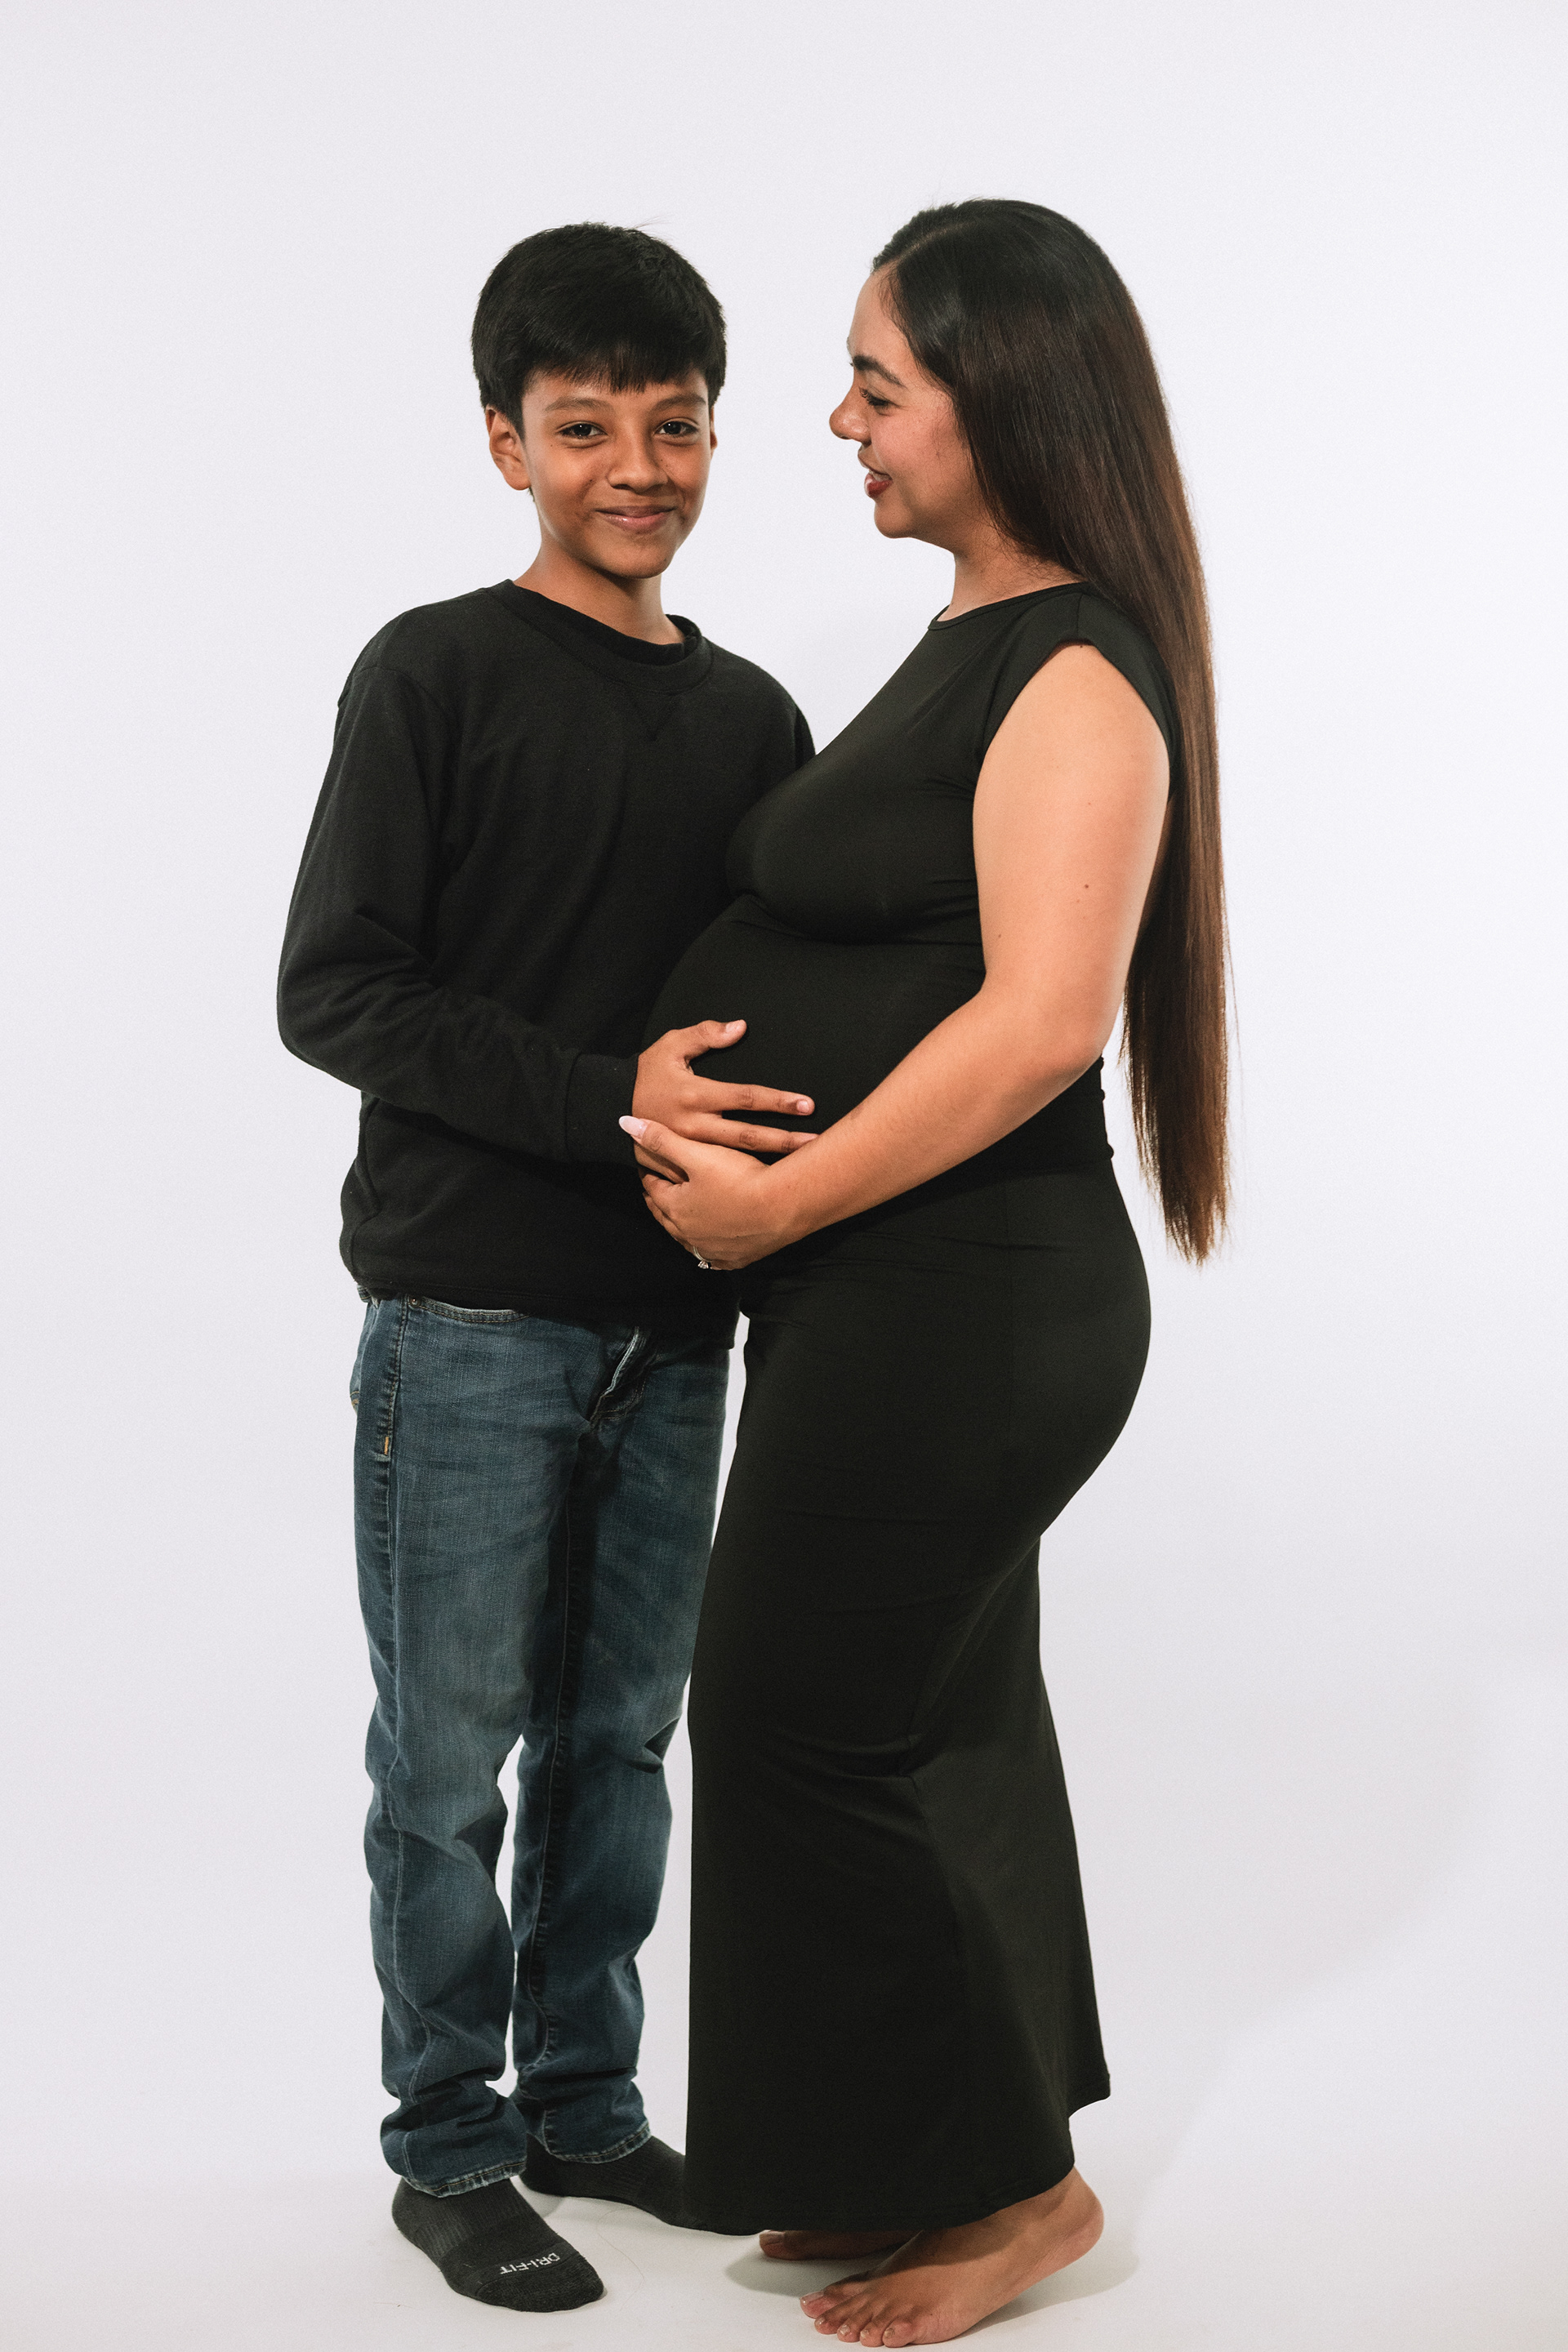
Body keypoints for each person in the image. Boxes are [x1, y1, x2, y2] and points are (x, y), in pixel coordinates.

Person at [626, 199, 1229, 2346]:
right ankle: (905, 2156)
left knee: (796, 1714)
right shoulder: (979, 638)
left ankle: (1017, 2195)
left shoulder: (1073, 670)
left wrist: (778, 1203)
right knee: (936, 1718)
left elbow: (1043, 1023)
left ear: (1005, 397)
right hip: (903, 1300)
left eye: (878, 387)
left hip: (969, 1296)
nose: (837, 424)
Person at [276, 221, 817, 2316]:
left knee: (619, 1747)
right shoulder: (432, 672)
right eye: (585, 428)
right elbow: (338, 989)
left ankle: (587, 2106)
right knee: (447, 1766)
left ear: (715, 437)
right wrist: (612, 1103)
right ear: (506, 443)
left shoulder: (755, 719)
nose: (637, 468)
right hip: (469, 1320)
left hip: (676, 1327)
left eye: (674, 425)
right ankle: (450, 2143)